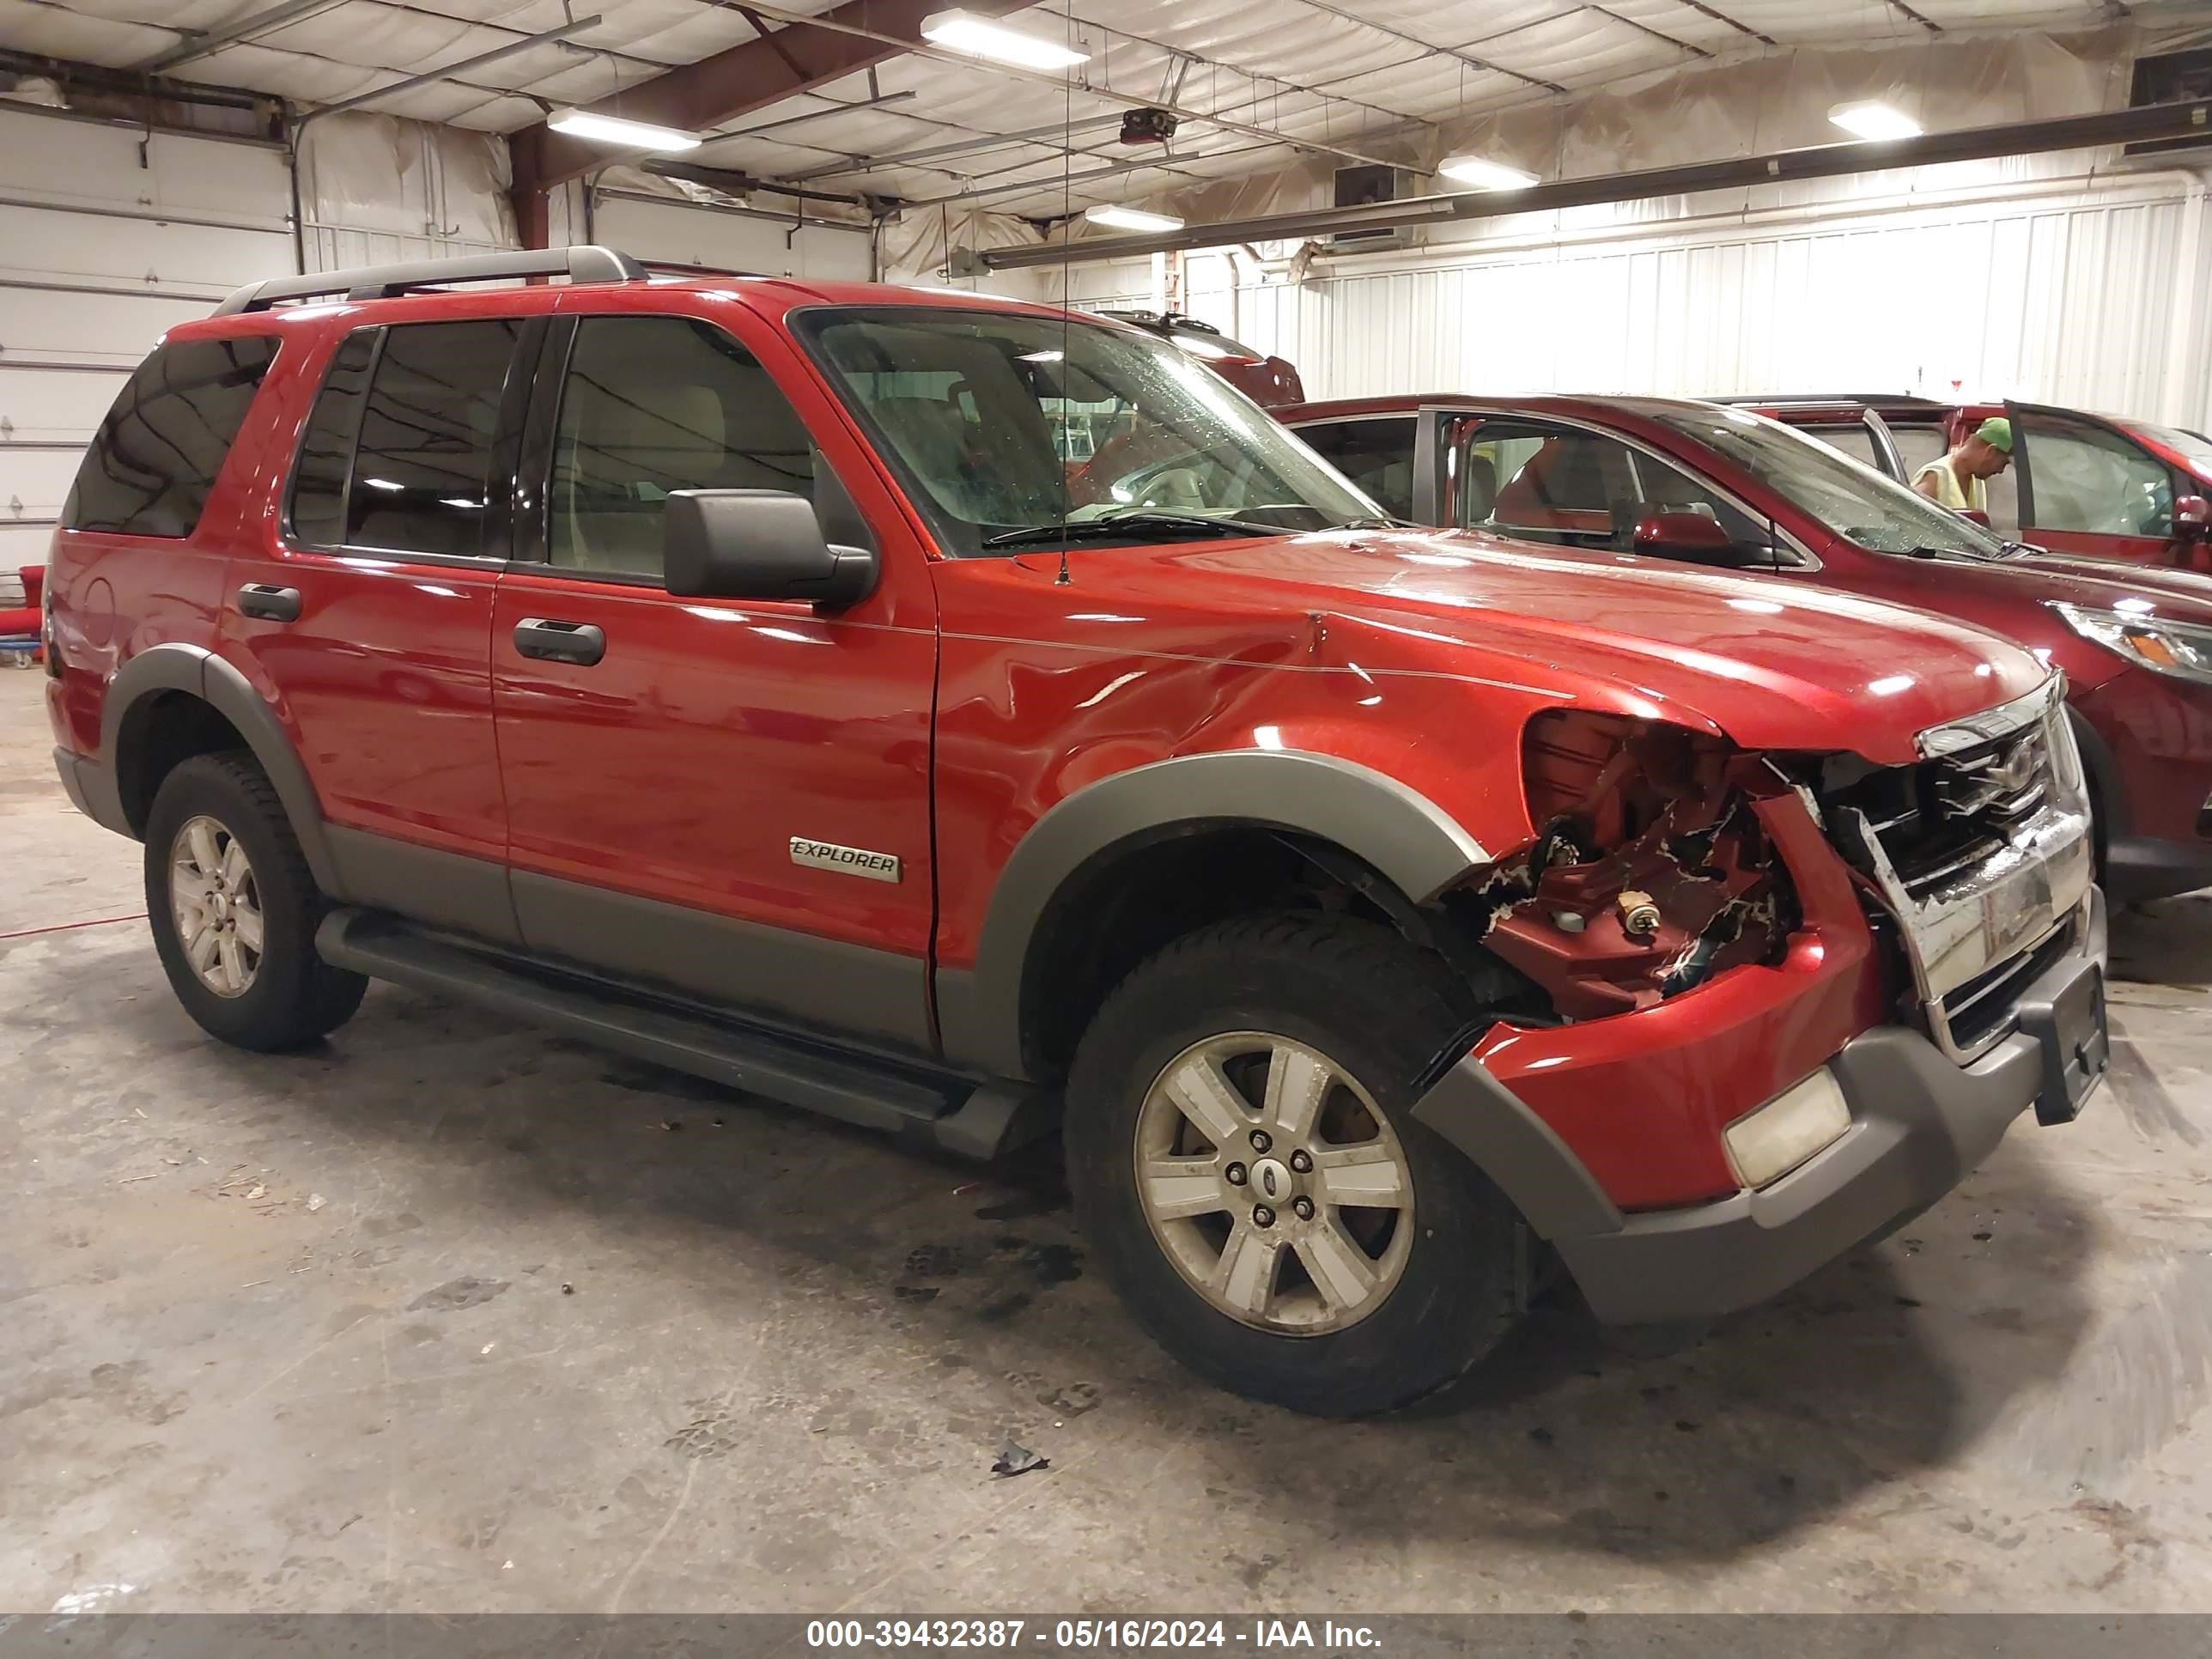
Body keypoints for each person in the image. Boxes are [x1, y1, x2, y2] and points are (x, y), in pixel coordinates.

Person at [1912, 416, 2013, 513]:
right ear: (1990, 451)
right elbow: (1910, 518)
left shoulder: (1977, 482)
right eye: (2003, 463)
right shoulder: (1936, 477)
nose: (2001, 471)